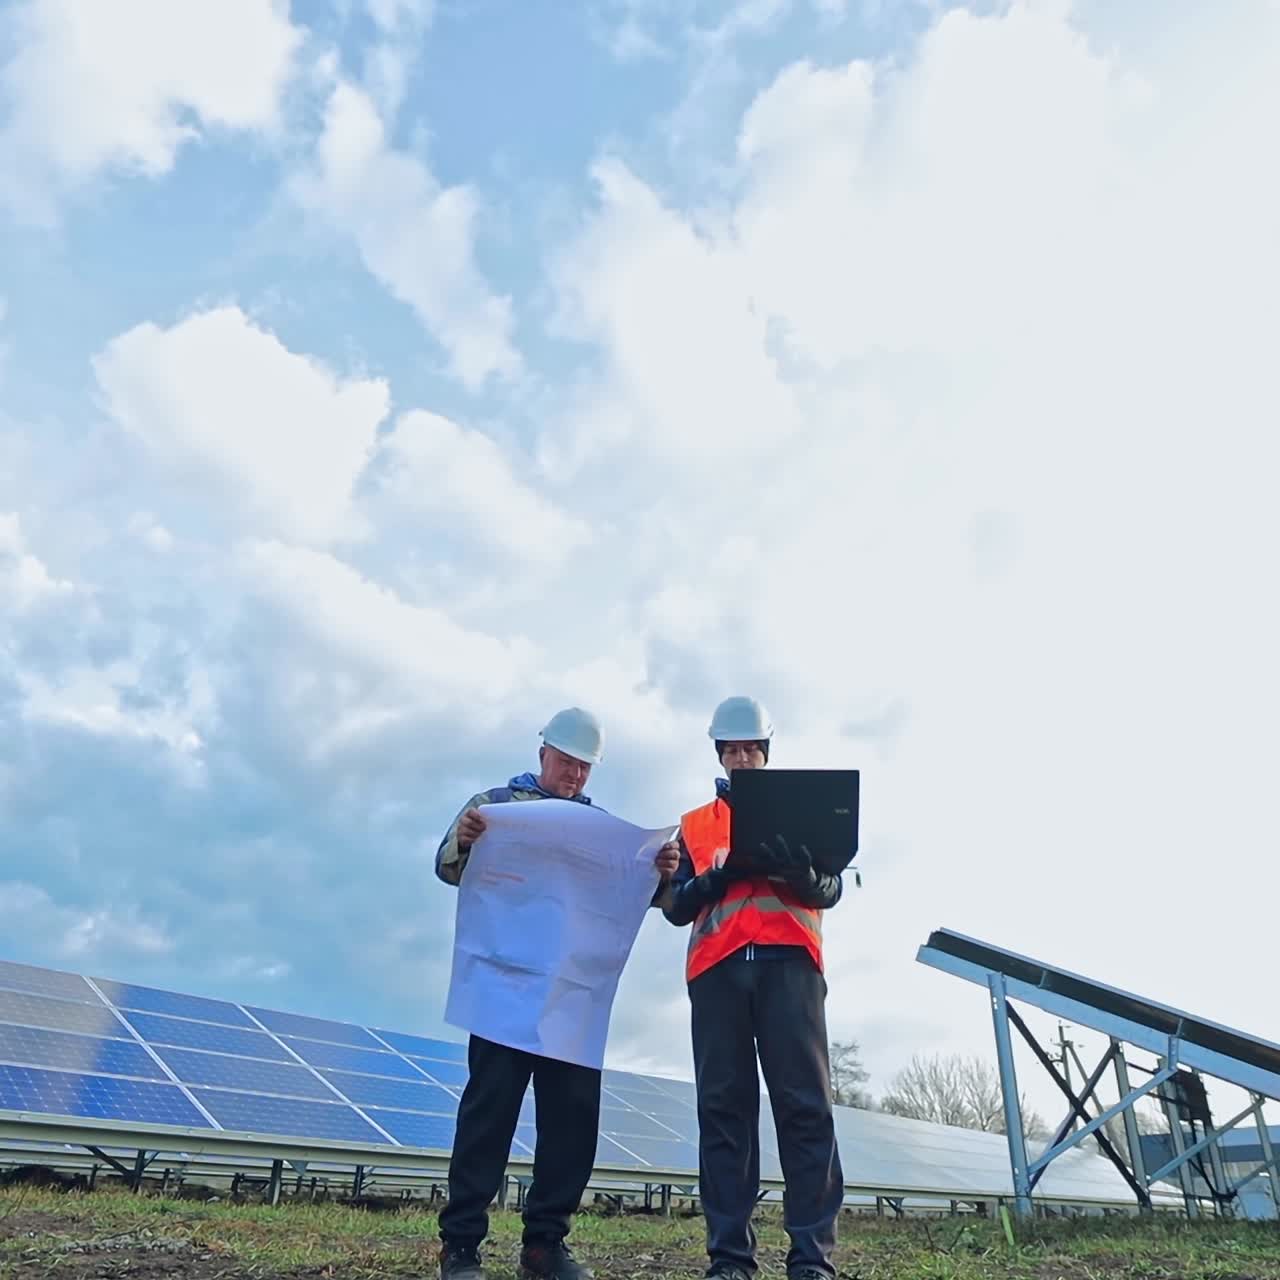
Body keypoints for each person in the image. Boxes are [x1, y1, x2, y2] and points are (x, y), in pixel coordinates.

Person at [435, 707, 681, 1280]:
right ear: (543, 752)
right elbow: (448, 868)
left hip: (572, 1001)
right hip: (503, 992)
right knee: (487, 1115)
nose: (573, 775)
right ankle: (461, 1245)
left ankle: (545, 1246)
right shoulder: (494, 804)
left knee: (572, 1120)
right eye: (566, 762)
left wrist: (661, 872)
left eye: (584, 768)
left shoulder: (602, 832)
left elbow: (640, 897)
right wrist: (464, 840)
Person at [661, 696, 847, 1280]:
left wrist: (803, 874)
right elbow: (672, 906)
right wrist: (718, 876)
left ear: (766, 753)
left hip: (790, 968)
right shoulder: (693, 825)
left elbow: (831, 888)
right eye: (732, 749)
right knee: (724, 1112)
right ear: (720, 753)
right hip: (717, 974)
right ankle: (730, 1260)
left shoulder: (804, 810)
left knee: (805, 1109)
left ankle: (811, 1260)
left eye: (751, 749)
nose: (742, 758)